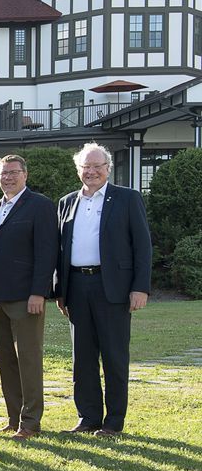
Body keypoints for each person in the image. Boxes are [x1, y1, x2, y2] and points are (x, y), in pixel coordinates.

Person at [56, 142, 151, 437]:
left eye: (97, 166)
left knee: (114, 356)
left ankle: (113, 422)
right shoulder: (67, 202)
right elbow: (60, 249)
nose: (92, 171)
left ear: (108, 169)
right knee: (82, 358)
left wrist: (140, 288)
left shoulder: (127, 198)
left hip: (112, 287)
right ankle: (88, 418)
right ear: (78, 170)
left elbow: (143, 246)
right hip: (76, 286)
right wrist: (60, 290)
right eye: (86, 166)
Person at [0, 155, 58, 441]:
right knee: (6, 360)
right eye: (3, 173)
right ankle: (13, 417)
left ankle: (30, 422)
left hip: (26, 297)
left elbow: (47, 252)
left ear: (25, 175)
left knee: (28, 359)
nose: (8, 177)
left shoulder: (40, 205)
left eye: (13, 172)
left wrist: (39, 292)